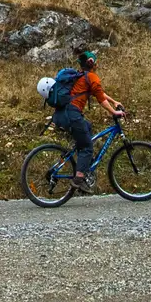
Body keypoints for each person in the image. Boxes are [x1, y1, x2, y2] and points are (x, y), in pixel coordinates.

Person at [52, 47, 125, 193]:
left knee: (87, 127)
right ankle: (79, 179)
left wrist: (115, 101)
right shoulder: (91, 77)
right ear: (91, 62)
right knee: (87, 147)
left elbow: (99, 93)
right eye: (96, 61)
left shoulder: (80, 76)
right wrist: (114, 111)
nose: (97, 64)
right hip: (72, 115)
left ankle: (84, 166)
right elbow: (100, 100)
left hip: (62, 114)